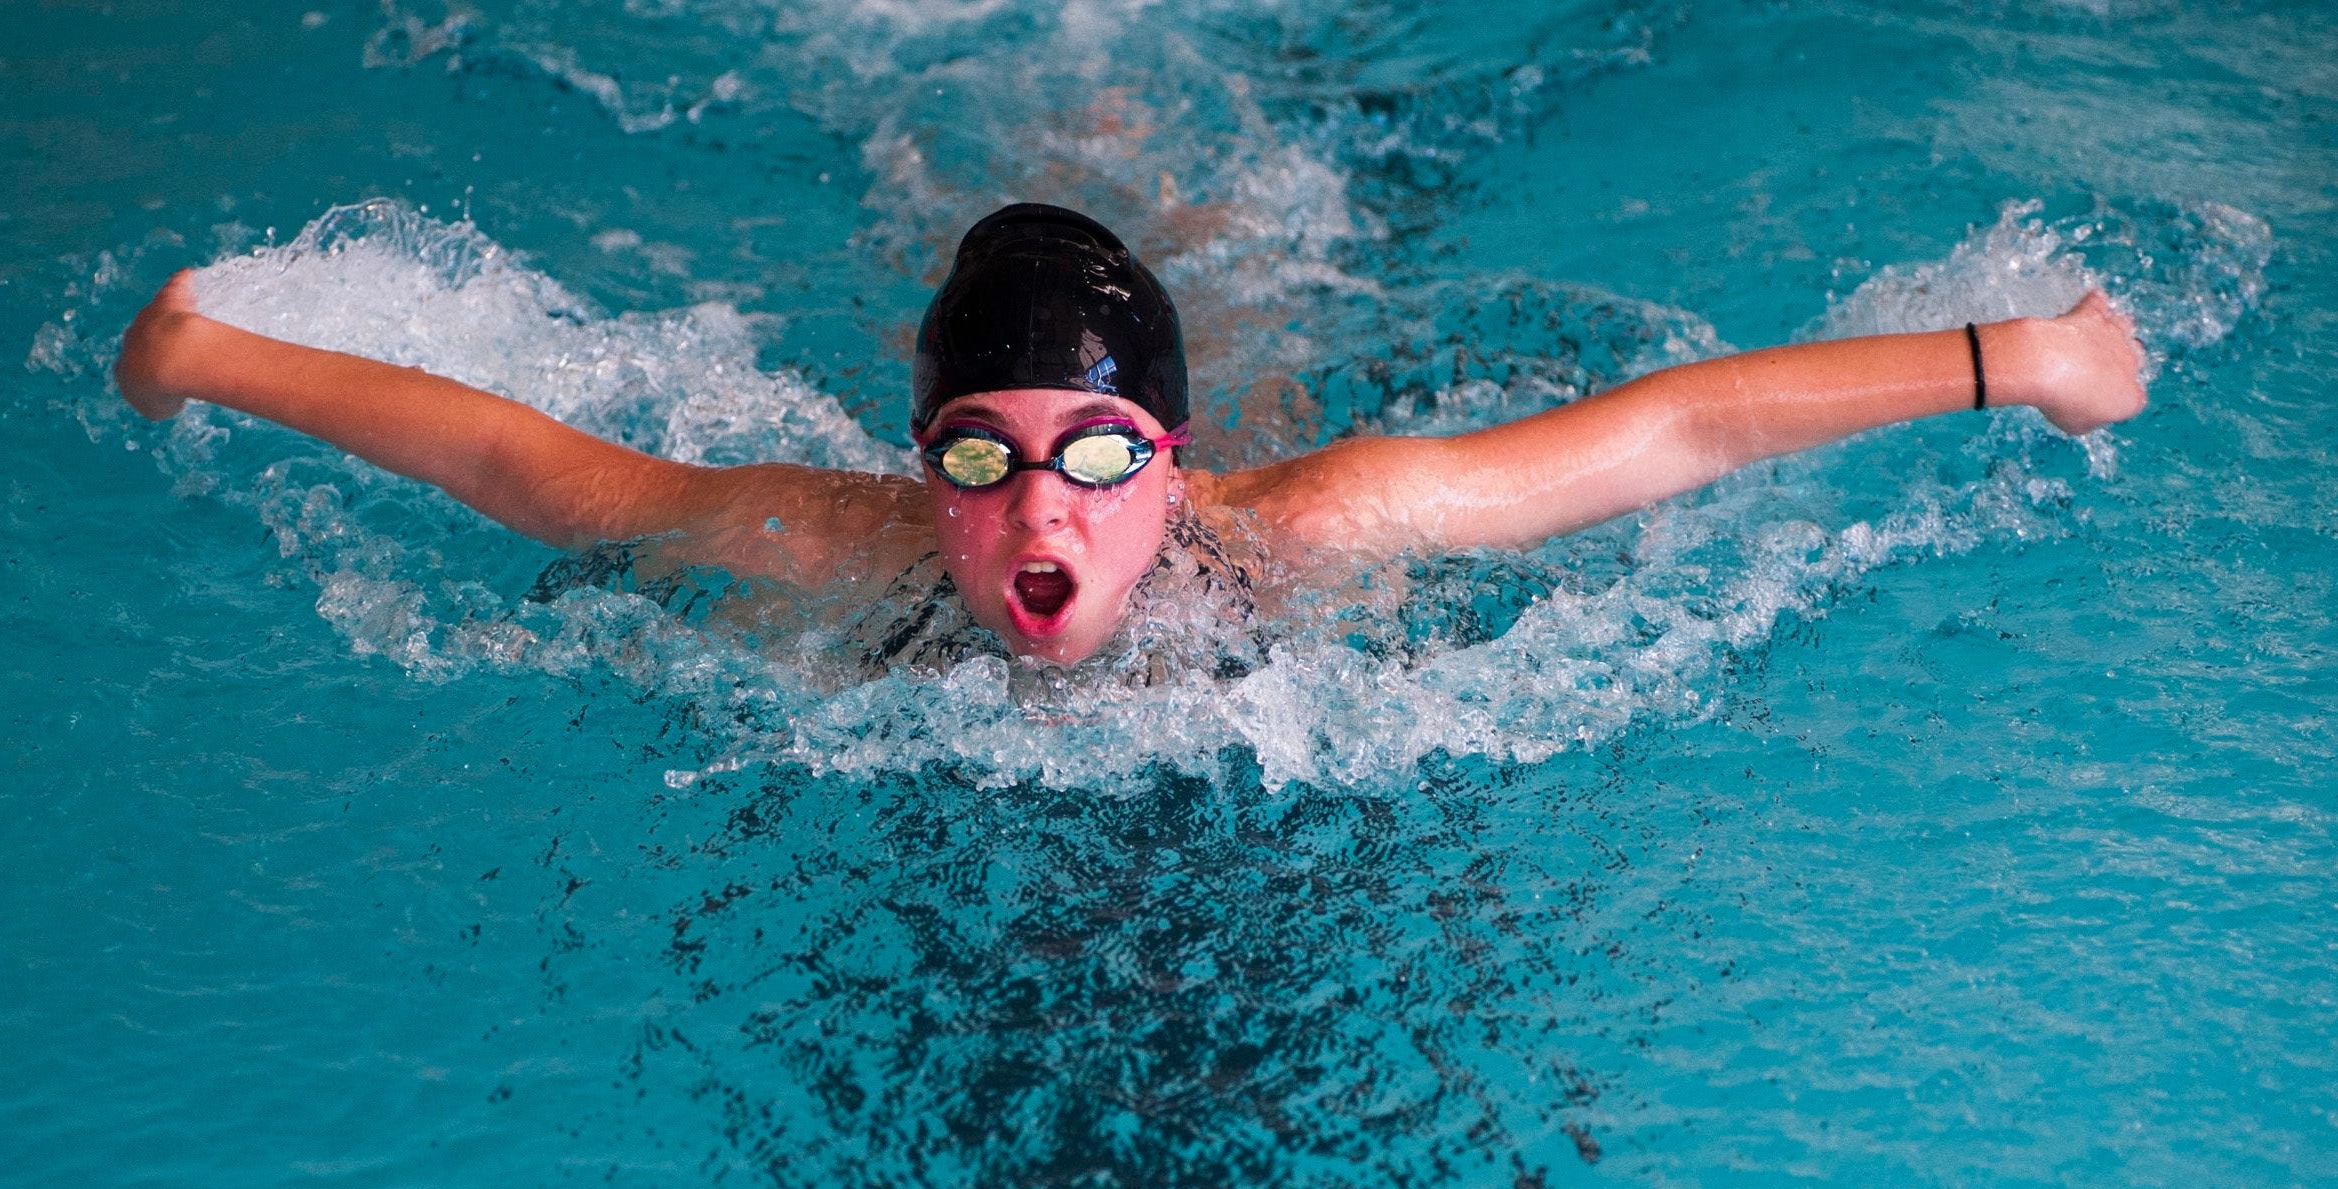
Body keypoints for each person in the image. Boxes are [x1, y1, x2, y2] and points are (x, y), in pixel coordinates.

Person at [113, 202, 2147, 668]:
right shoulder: (836, 543)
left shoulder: (1321, 525)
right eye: (977, 453)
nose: (1032, 508)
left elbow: (1679, 429)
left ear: (1171, 462)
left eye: (1094, 452)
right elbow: (519, 461)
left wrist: (2021, 359)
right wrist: (208, 355)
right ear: (918, 462)